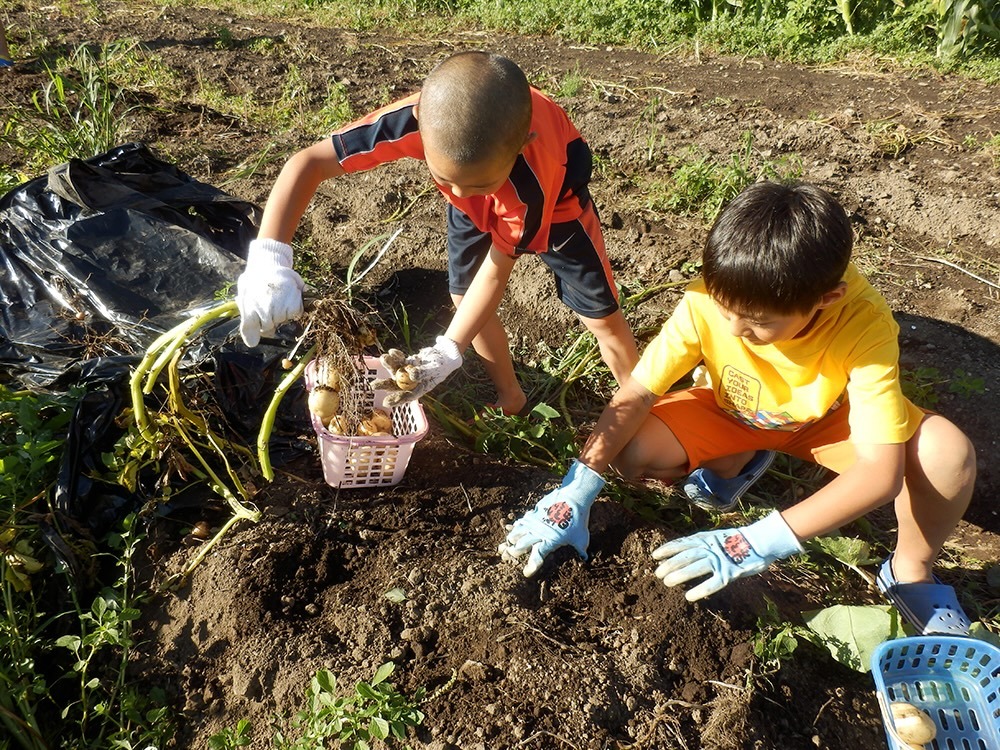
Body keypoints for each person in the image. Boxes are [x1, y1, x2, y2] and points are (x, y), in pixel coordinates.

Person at [499, 180, 977, 636]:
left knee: (945, 454)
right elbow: (639, 391)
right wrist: (577, 486)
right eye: (725, 311)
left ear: (827, 299)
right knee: (633, 450)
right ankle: (737, 461)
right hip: (732, 407)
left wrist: (758, 541)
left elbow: (880, 472)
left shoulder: (863, 322)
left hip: (829, 421)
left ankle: (910, 569)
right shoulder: (709, 295)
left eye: (759, 323)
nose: (733, 330)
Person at [235, 50, 639, 416]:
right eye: (445, 178)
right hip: (492, 182)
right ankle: (510, 398)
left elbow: (497, 271)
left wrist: (448, 350)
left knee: (601, 317)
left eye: (476, 185)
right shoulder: (418, 120)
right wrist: (269, 260)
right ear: (419, 131)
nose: (459, 193)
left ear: (521, 147)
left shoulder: (531, 184)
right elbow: (308, 163)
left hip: (559, 208)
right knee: (462, 293)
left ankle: (642, 404)